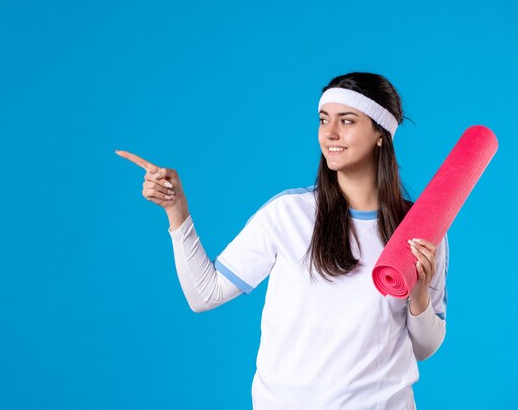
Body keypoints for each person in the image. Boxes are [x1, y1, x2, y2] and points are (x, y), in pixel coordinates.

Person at [115, 72, 448, 410]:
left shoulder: (419, 229)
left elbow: (424, 348)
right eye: (323, 120)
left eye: (347, 121)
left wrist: (419, 296)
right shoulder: (288, 214)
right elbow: (205, 294)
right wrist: (177, 209)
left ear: (381, 134)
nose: (329, 133)